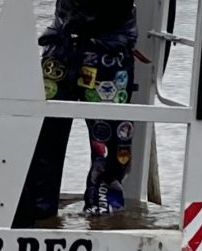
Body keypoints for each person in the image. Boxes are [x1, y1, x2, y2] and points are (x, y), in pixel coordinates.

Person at [21, 0, 138, 217]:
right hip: (64, 40)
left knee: (109, 141)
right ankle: (39, 213)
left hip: (110, 44)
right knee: (44, 133)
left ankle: (102, 213)